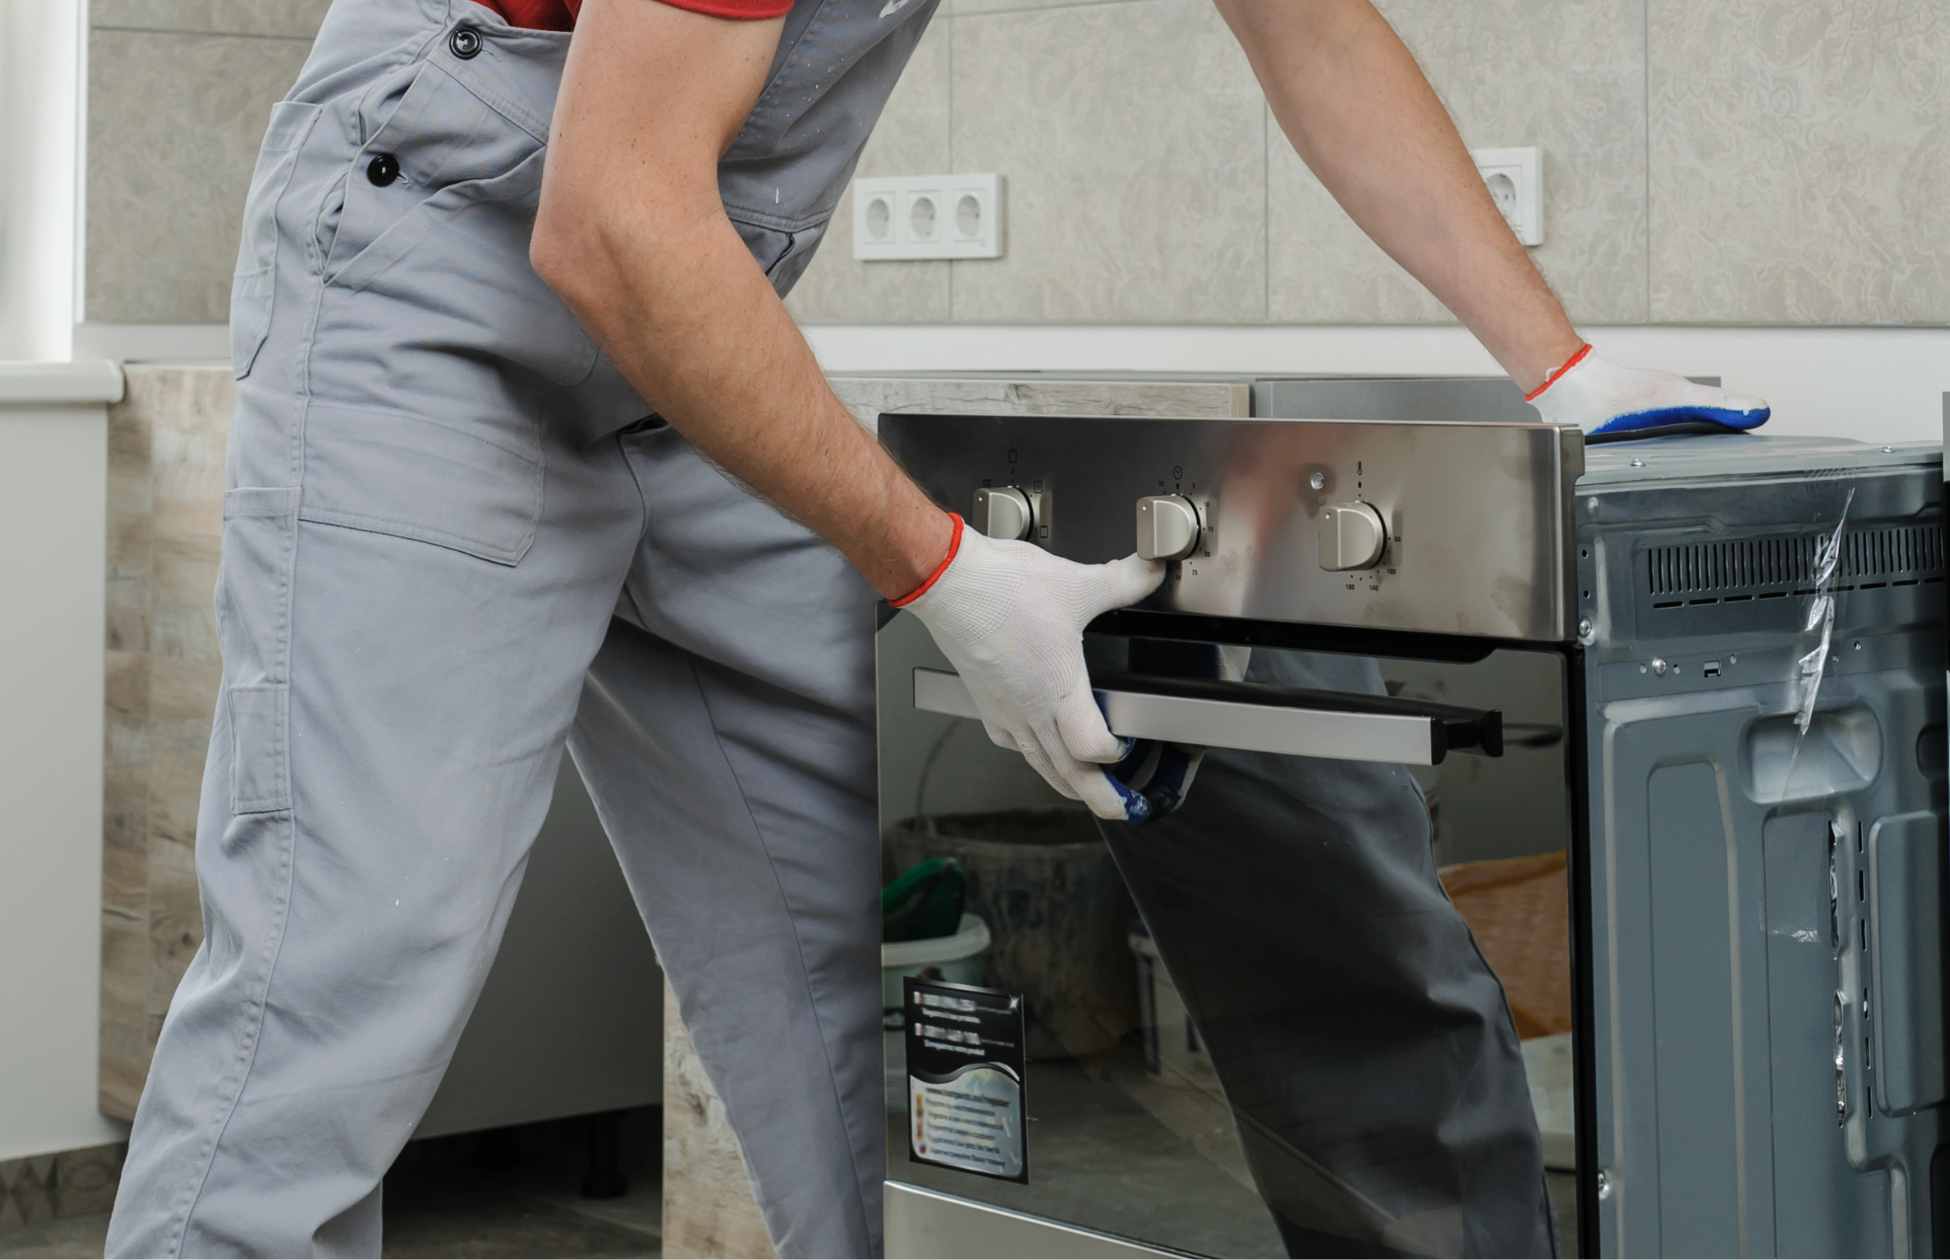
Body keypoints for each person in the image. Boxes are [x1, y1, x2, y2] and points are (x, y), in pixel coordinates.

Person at [104, 0, 1767, 1255]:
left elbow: (1310, 28)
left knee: (824, 967)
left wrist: (1558, 361)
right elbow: (607, 217)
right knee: (339, 979)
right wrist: (941, 573)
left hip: (678, 323)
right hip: (440, 298)